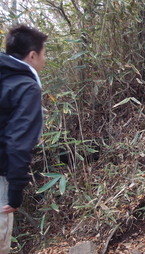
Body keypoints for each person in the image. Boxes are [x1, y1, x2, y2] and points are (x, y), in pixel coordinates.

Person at [0, 24, 47, 253]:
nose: (44, 60)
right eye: (43, 54)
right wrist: (16, 191)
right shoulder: (26, 87)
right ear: (32, 55)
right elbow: (18, 141)